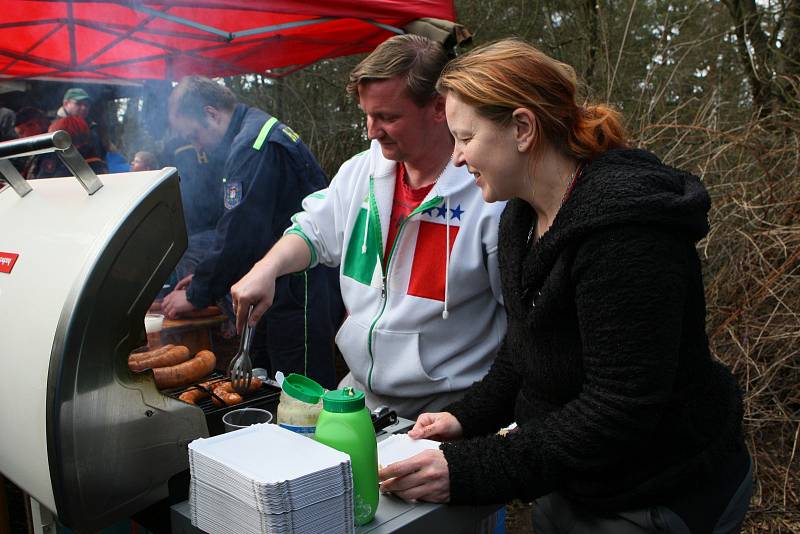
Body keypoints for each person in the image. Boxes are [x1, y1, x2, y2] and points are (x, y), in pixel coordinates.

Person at [377, 39, 752, 534]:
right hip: (575, 476)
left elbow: (620, 407)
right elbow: (526, 344)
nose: (459, 159)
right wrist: (467, 419)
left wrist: (473, 468)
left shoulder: (626, 234)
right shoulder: (519, 217)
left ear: (522, 127)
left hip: (656, 491)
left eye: (465, 139)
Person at [230, 34, 507, 419]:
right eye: (367, 115)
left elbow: (522, 329)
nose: (371, 131)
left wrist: (478, 416)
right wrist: (268, 269)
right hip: (360, 400)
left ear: (439, 108)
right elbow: (312, 230)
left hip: (450, 412)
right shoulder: (362, 170)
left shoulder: (489, 194)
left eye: (388, 117)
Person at [161, 76, 343, 388]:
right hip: (283, 284)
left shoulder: (252, 146)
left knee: (302, 390)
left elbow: (239, 234)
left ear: (212, 113)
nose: (198, 145)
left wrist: (196, 294)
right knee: (273, 384)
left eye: (196, 134)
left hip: (299, 288)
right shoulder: (256, 130)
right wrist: (208, 277)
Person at [34, 116, 108, 178]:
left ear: (62, 140)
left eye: (53, 138)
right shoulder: (96, 162)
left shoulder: (71, 165)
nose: (51, 142)